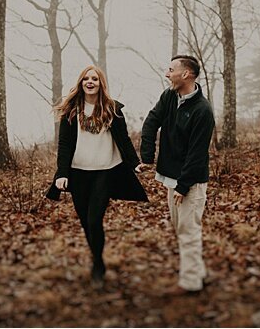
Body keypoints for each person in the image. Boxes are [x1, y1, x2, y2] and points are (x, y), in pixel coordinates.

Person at [46, 65, 148, 287]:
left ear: (101, 83)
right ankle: (97, 258)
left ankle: (98, 266)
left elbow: (124, 140)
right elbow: (64, 145)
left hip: (105, 172)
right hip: (78, 173)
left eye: (94, 79)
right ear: (81, 83)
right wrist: (62, 173)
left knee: (94, 220)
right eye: (86, 79)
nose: (90, 82)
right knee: (85, 222)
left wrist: (135, 164)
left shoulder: (112, 109)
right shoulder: (71, 110)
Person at [139, 55, 215, 294]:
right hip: (171, 177)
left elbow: (197, 154)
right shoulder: (169, 96)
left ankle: (191, 284)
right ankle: (199, 273)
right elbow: (152, 121)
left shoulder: (203, 111)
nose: (166, 74)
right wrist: (147, 157)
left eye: (171, 70)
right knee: (180, 227)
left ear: (186, 74)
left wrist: (183, 186)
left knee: (188, 231)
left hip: (190, 182)